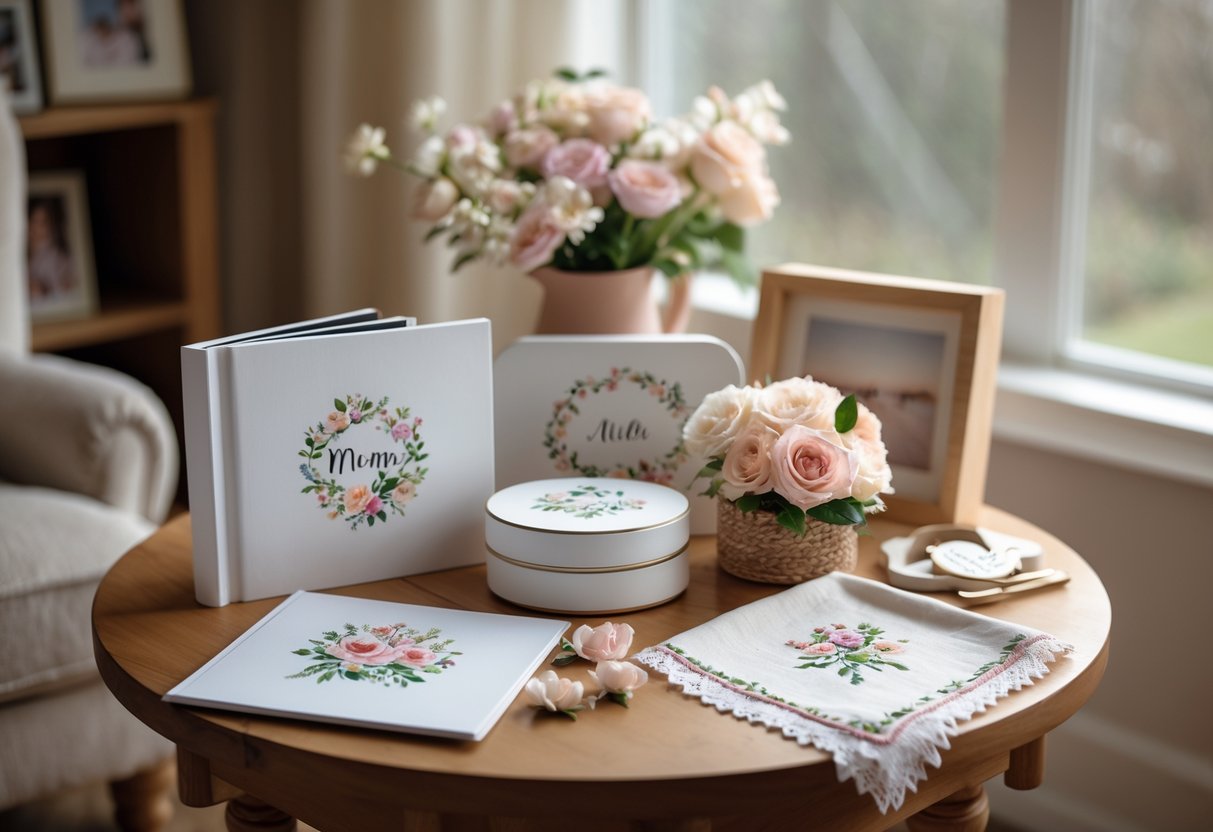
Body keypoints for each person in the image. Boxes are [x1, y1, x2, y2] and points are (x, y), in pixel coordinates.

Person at [27, 199, 75, 301]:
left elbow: (67, 290)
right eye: (34, 221)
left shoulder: (58, 257)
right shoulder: (23, 252)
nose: (37, 227)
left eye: (43, 222)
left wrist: (43, 289)